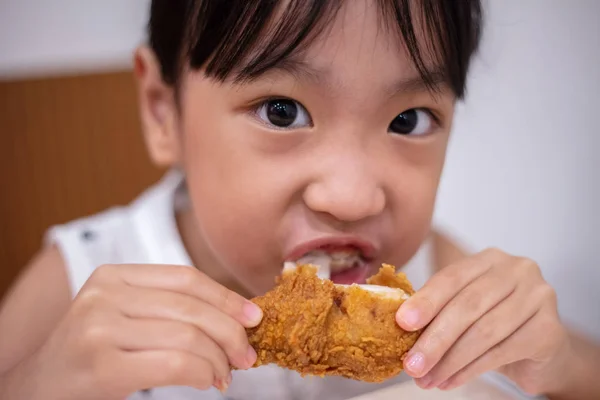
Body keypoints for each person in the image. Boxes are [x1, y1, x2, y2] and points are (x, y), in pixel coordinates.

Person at [1, 1, 599, 399]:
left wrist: (561, 361)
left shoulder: (426, 278)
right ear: (164, 112)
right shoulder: (82, 274)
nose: (352, 197)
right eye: (282, 112)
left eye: (410, 119)